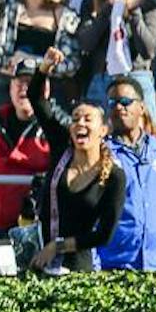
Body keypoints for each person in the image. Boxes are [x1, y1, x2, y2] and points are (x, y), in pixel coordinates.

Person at [26, 47, 128, 271]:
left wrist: (58, 247)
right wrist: (45, 67)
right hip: (39, 262)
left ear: (102, 130)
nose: (80, 123)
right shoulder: (62, 145)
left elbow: (103, 235)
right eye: (75, 119)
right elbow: (35, 97)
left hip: (76, 269)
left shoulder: (115, 176)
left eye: (87, 119)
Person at [93, 72, 156, 271]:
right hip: (113, 269)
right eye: (113, 102)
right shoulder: (100, 156)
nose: (118, 107)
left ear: (141, 107)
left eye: (125, 101)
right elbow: (90, 217)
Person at [75, 0, 156, 117]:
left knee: (143, 142)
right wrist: (110, 8)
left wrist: (133, 11)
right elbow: (86, 43)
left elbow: (149, 50)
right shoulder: (90, 5)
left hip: (136, 79)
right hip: (101, 83)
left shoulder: (148, 4)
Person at [0, 54, 49, 239]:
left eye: (31, 83)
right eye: (19, 83)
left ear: (44, 89)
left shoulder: (55, 124)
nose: (24, 89)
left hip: (36, 222)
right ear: (10, 88)